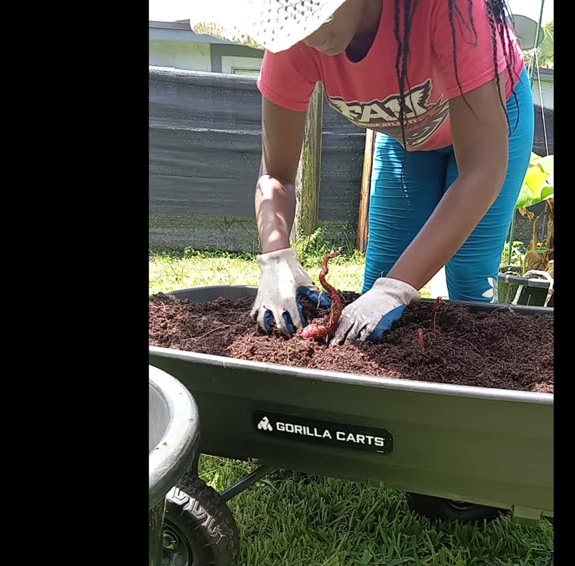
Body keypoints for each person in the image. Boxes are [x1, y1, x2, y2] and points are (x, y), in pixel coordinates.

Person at [193, 0, 534, 344]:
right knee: (377, 290)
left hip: (492, 128)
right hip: (407, 140)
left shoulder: (453, 10)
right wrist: (276, 258)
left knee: (470, 280)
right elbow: (276, 175)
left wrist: (397, 289)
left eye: (322, 16)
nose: (312, 37)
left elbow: (481, 171)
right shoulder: (291, 37)